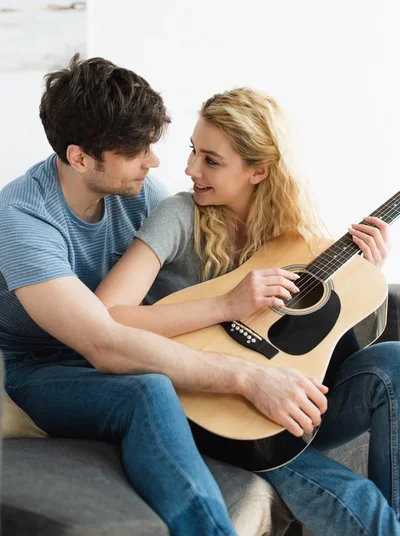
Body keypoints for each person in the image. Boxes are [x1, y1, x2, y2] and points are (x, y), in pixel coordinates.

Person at [94, 87, 399, 536]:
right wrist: (226, 304)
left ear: (259, 170)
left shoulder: (294, 237)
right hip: (208, 410)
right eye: (193, 151)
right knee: (360, 503)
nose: (190, 169)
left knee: (394, 359)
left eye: (211, 160)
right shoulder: (178, 215)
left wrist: (364, 278)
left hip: (287, 404)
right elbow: (105, 316)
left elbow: (322, 346)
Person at [0, 55, 256, 536]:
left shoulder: (134, 190)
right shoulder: (22, 219)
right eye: (137, 151)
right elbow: (102, 343)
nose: (155, 161)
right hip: (45, 370)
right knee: (149, 389)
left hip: (124, 345)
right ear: (79, 158)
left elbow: (208, 269)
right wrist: (244, 378)